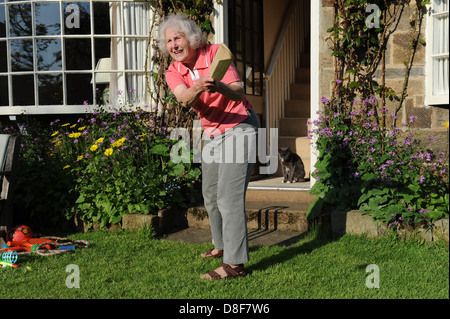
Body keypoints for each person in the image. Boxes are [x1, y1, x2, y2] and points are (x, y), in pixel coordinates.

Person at [158, 14, 260, 280]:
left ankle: (234, 265)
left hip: (240, 126)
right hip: (213, 132)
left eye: (178, 38)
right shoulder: (173, 70)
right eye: (169, 41)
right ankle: (221, 246)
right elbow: (183, 98)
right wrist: (199, 86)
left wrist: (220, 87)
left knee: (229, 197)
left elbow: (238, 91)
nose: (173, 45)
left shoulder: (215, 53)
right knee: (211, 194)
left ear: (191, 38)